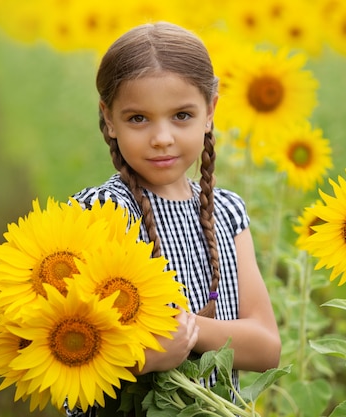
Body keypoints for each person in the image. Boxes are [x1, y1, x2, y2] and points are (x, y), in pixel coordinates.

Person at [69, 21, 281, 416]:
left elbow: (267, 346)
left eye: (182, 115)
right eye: (138, 119)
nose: (162, 137)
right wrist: (143, 359)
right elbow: (72, 350)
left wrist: (184, 331)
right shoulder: (100, 213)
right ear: (109, 118)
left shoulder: (226, 212)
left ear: (210, 110)